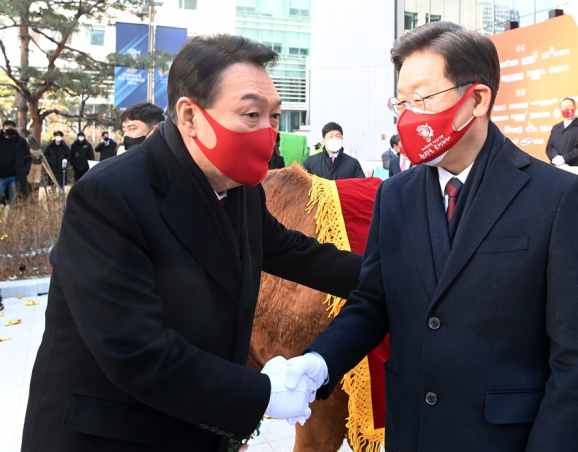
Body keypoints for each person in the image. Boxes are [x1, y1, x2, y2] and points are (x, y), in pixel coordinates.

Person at [280, 21, 578, 451]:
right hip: (412, 433)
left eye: (421, 99)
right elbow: (373, 302)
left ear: (476, 99)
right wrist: (319, 362)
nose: (407, 116)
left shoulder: (556, 197)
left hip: (505, 438)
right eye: (400, 103)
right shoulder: (395, 196)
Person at [21, 34, 362, 452]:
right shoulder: (110, 196)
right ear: (189, 116)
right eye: (251, 115)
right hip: (115, 434)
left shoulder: (240, 190)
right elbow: (135, 350)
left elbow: (295, 253)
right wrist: (261, 393)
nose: (267, 133)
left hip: (195, 426)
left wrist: (394, 278)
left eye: (274, 117)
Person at [545, 97, 578, 167]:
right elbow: (549, 147)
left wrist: (564, 159)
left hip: (573, 168)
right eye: (563, 107)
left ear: (575, 109)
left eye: (569, 106)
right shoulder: (556, 128)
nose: (566, 109)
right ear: (560, 110)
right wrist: (555, 157)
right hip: (555, 167)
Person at [0, 120, 31, 202]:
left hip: (14, 177)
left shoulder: (20, 142)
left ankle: (11, 215)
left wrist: (25, 170)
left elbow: (28, 157)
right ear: (3, 129)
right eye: (7, 127)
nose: (10, 129)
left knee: (13, 201)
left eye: (12, 127)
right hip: (1, 177)